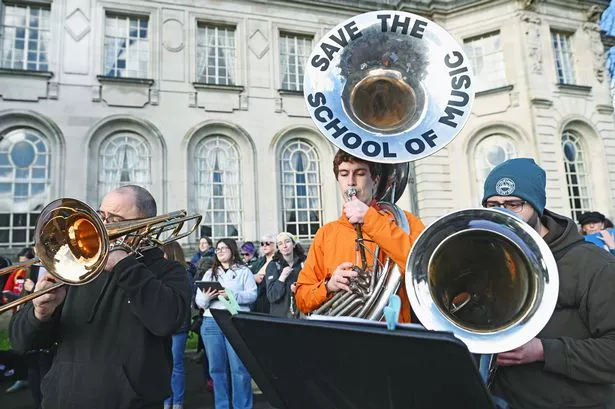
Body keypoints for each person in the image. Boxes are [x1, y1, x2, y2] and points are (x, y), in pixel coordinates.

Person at [9, 185, 193, 409]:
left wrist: (123, 265)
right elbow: (21, 342)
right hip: (61, 400)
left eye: (114, 219)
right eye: (100, 216)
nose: (102, 227)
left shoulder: (168, 271)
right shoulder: (76, 269)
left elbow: (168, 320)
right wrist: (40, 314)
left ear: (144, 226)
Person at [481, 158, 615, 409]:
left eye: (514, 204)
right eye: (493, 204)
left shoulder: (594, 263)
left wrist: (544, 351)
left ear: (536, 206)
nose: (502, 212)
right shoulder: (489, 257)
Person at [295, 149, 425, 322]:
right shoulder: (326, 233)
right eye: (344, 174)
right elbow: (301, 298)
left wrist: (371, 219)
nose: (351, 182)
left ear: (375, 181)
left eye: (360, 173)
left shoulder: (405, 221)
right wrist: (328, 286)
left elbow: (421, 268)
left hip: (394, 336)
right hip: (343, 340)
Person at [195, 238, 257, 409]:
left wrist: (231, 294)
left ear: (232, 250)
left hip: (234, 321)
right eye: (217, 249)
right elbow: (199, 301)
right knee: (216, 370)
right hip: (211, 322)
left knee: (239, 369)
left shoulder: (244, 271)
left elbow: (252, 295)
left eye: (224, 248)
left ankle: (242, 406)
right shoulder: (210, 273)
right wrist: (208, 296)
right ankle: (222, 406)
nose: (220, 251)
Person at [161, 241, 192, 409]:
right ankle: (167, 402)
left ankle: (177, 402)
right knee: (167, 365)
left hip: (178, 326)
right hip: (168, 325)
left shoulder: (182, 273)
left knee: (176, 365)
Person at [266, 232, 306, 318]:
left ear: (294, 244)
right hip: (280, 318)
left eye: (287, 242)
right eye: (280, 244)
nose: (284, 246)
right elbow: (272, 296)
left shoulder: (304, 263)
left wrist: (299, 288)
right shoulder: (273, 266)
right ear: (278, 248)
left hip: (301, 316)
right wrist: (282, 278)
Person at [249, 234, 277, 314]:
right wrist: (254, 277)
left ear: (275, 244)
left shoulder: (278, 261)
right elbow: (248, 275)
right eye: (262, 244)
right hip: (258, 299)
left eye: (267, 243)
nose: (264, 246)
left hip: (271, 299)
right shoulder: (258, 262)